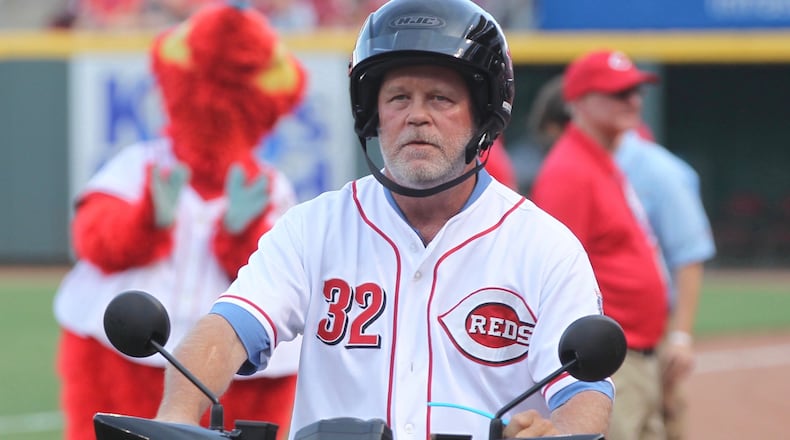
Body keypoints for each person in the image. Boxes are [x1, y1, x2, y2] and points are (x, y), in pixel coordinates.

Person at [154, 1, 614, 439]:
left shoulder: (544, 246)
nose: (416, 116)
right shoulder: (314, 228)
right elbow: (230, 327)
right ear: (373, 115)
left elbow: (583, 388)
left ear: (484, 117)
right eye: (398, 98)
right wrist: (176, 415)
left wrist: (561, 432)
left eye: (440, 98)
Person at [53, 3, 307, 439]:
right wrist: (147, 220)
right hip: (122, 343)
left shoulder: (269, 187)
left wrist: (242, 233)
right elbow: (94, 239)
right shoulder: (142, 165)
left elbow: (282, 280)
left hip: (231, 363)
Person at [529, 66, 717, 440]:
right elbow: (549, 277)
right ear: (579, 103)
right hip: (611, 358)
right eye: (617, 93)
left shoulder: (603, 160)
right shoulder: (570, 170)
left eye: (636, 92)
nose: (633, 101)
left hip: (637, 352)